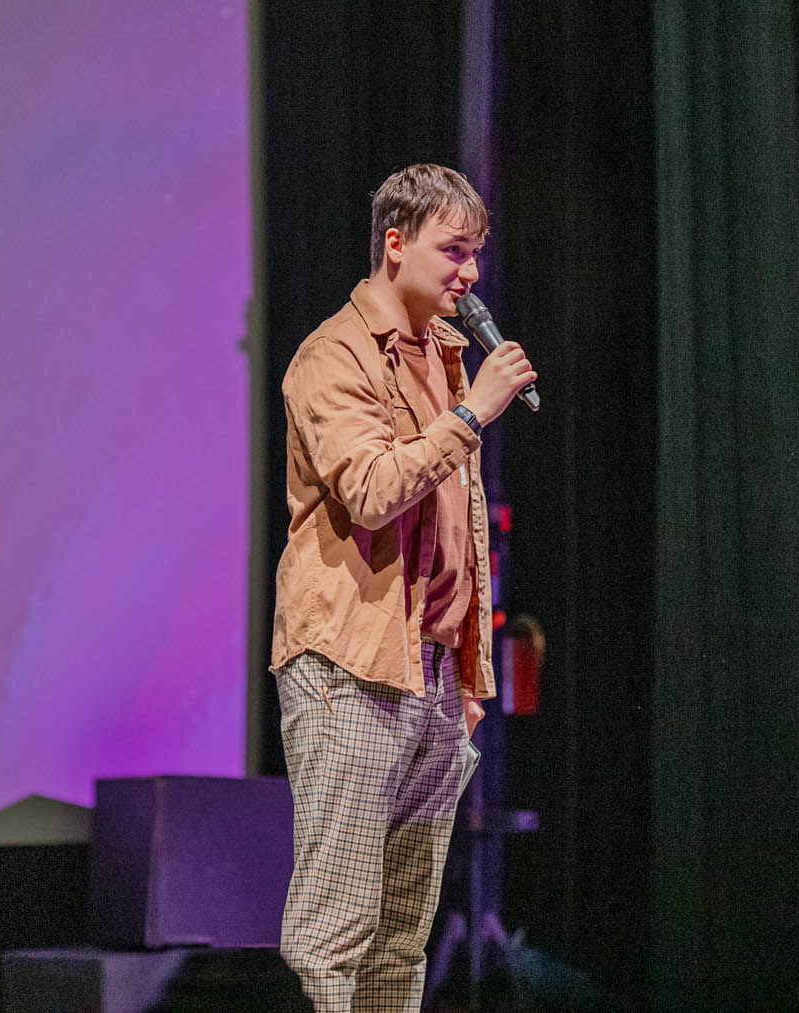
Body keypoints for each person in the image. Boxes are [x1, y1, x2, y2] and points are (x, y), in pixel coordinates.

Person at [271, 163, 538, 1013]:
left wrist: (466, 672)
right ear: (395, 242)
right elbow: (372, 491)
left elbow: (458, 530)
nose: (471, 271)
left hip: (429, 672)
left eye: (476, 253)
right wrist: (472, 415)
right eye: (453, 250)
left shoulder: (446, 354)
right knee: (337, 930)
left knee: (399, 934)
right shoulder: (332, 356)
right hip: (352, 665)